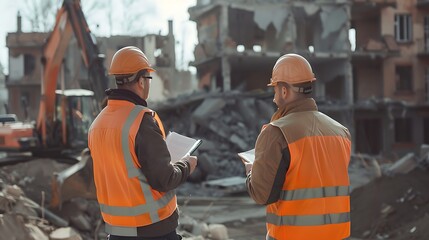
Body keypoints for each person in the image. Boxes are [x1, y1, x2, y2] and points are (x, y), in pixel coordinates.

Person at [88, 46, 198, 240]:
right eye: (148, 78)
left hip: (116, 230)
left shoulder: (97, 124)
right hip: (154, 230)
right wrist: (186, 165)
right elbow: (164, 179)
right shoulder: (140, 120)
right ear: (140, 81)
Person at [244, 54, 351, 240]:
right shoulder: (341, 132)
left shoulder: (276, 133)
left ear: (284, 91)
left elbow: (262, 195)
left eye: (275, 90)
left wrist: (251, 172)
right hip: (337, 235)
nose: (274, 98)